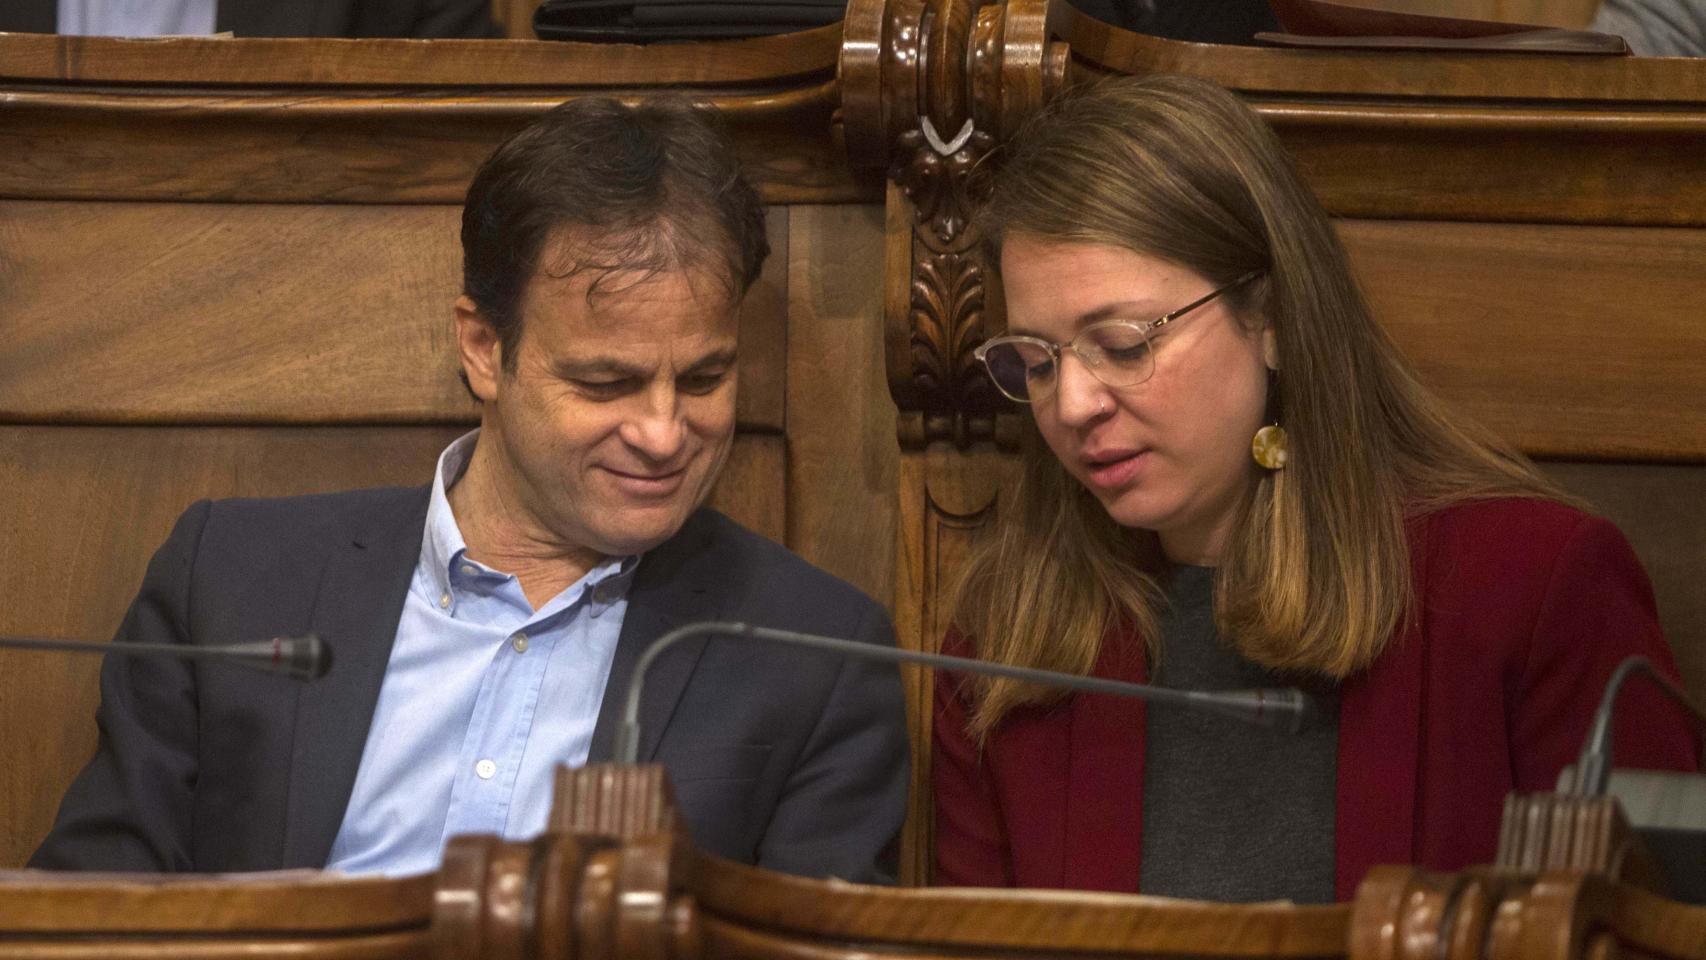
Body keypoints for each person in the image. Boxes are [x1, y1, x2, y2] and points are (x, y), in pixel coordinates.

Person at [31, 97, 907, 882]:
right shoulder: (231, 580)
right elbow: (88, 912)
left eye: (707, 378)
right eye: (607, 384)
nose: (665, 434)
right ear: (485, 349)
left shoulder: (821, 657)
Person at [932, 74, 1697, 902]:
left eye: (1120, 344)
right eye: (1037, 362)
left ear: (1274, 320)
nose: (1074, 404)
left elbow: (1646, 930)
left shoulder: (1532, 586)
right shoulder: (1004, 646)